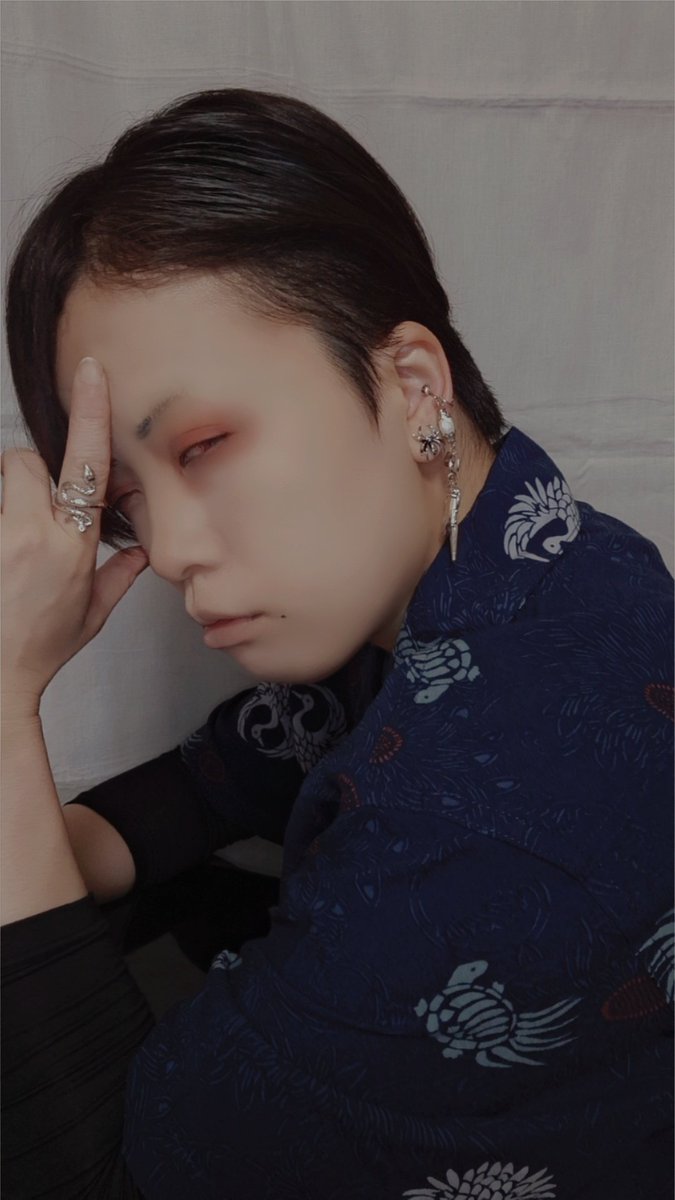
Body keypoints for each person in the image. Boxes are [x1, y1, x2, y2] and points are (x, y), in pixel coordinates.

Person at [1, 87, 672, 1200]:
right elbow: (216, 781)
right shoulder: (526, 553)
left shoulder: (486, 826)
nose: (166, 550)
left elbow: (95, 1179)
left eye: (203, 445)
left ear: (411, 385)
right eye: (124, 502)